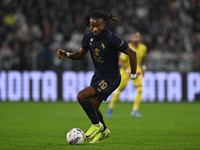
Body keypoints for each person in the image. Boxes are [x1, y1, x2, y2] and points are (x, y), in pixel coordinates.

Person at [57, 6, 141, 144]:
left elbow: (132, 53)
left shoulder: (111, 38)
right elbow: (81, 54)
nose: (95, 29)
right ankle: (104, 131)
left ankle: (97, 126)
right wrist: (67, 54)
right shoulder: (88, 36)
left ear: (104, 24)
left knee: (81, 96)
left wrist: (132, 75)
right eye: (92, 26)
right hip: (98, 76)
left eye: (98, 26)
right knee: (93, 107)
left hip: (111, 78)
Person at [107, 32, 147, 118]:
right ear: (131, 38)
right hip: (125, 71)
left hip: (137, 71)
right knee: (118, 91)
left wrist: (144, 68)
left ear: (139, 38)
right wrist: (128, 71)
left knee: (140, 90)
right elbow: (120, 62)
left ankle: (135, 111)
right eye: (134, 37)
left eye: (137, 37)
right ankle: (110, 108)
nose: (135, 38)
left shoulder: (143, 48)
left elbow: (143, 58)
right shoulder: (126, 47)